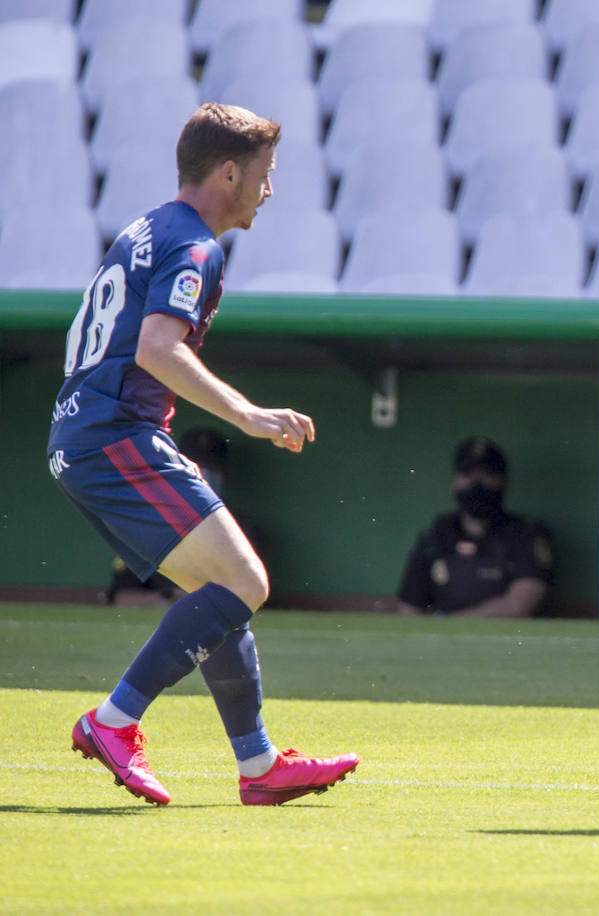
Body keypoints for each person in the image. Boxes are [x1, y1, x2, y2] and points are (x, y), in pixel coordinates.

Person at [46, 102, 358, 806]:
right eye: (264, 174)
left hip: (89, 436)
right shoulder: (194, 245)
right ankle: (113, 721)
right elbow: (157, 349)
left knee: (219, 591)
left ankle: (258, 766)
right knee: (245, 581)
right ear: (227, 173)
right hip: (113, 436)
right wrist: (248, 414)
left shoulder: (148, 227)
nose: (269, 190)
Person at [395, 436, 554, 618]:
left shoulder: (527, 534)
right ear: (454, 482)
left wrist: (449, 625)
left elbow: (519, 606)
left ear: (504, 483)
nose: (476, 484)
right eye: (467, 474)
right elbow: (408, 609)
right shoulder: (437, 535)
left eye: (486, 475)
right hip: (442, 644)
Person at [103, 427, 264, 606]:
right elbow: (120, 597)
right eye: (195, 466)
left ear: (225, 474)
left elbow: (251, 593)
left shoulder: (240, 528)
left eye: (211, 468)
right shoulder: (146, 524)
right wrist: (167, 599)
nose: (202, 474)